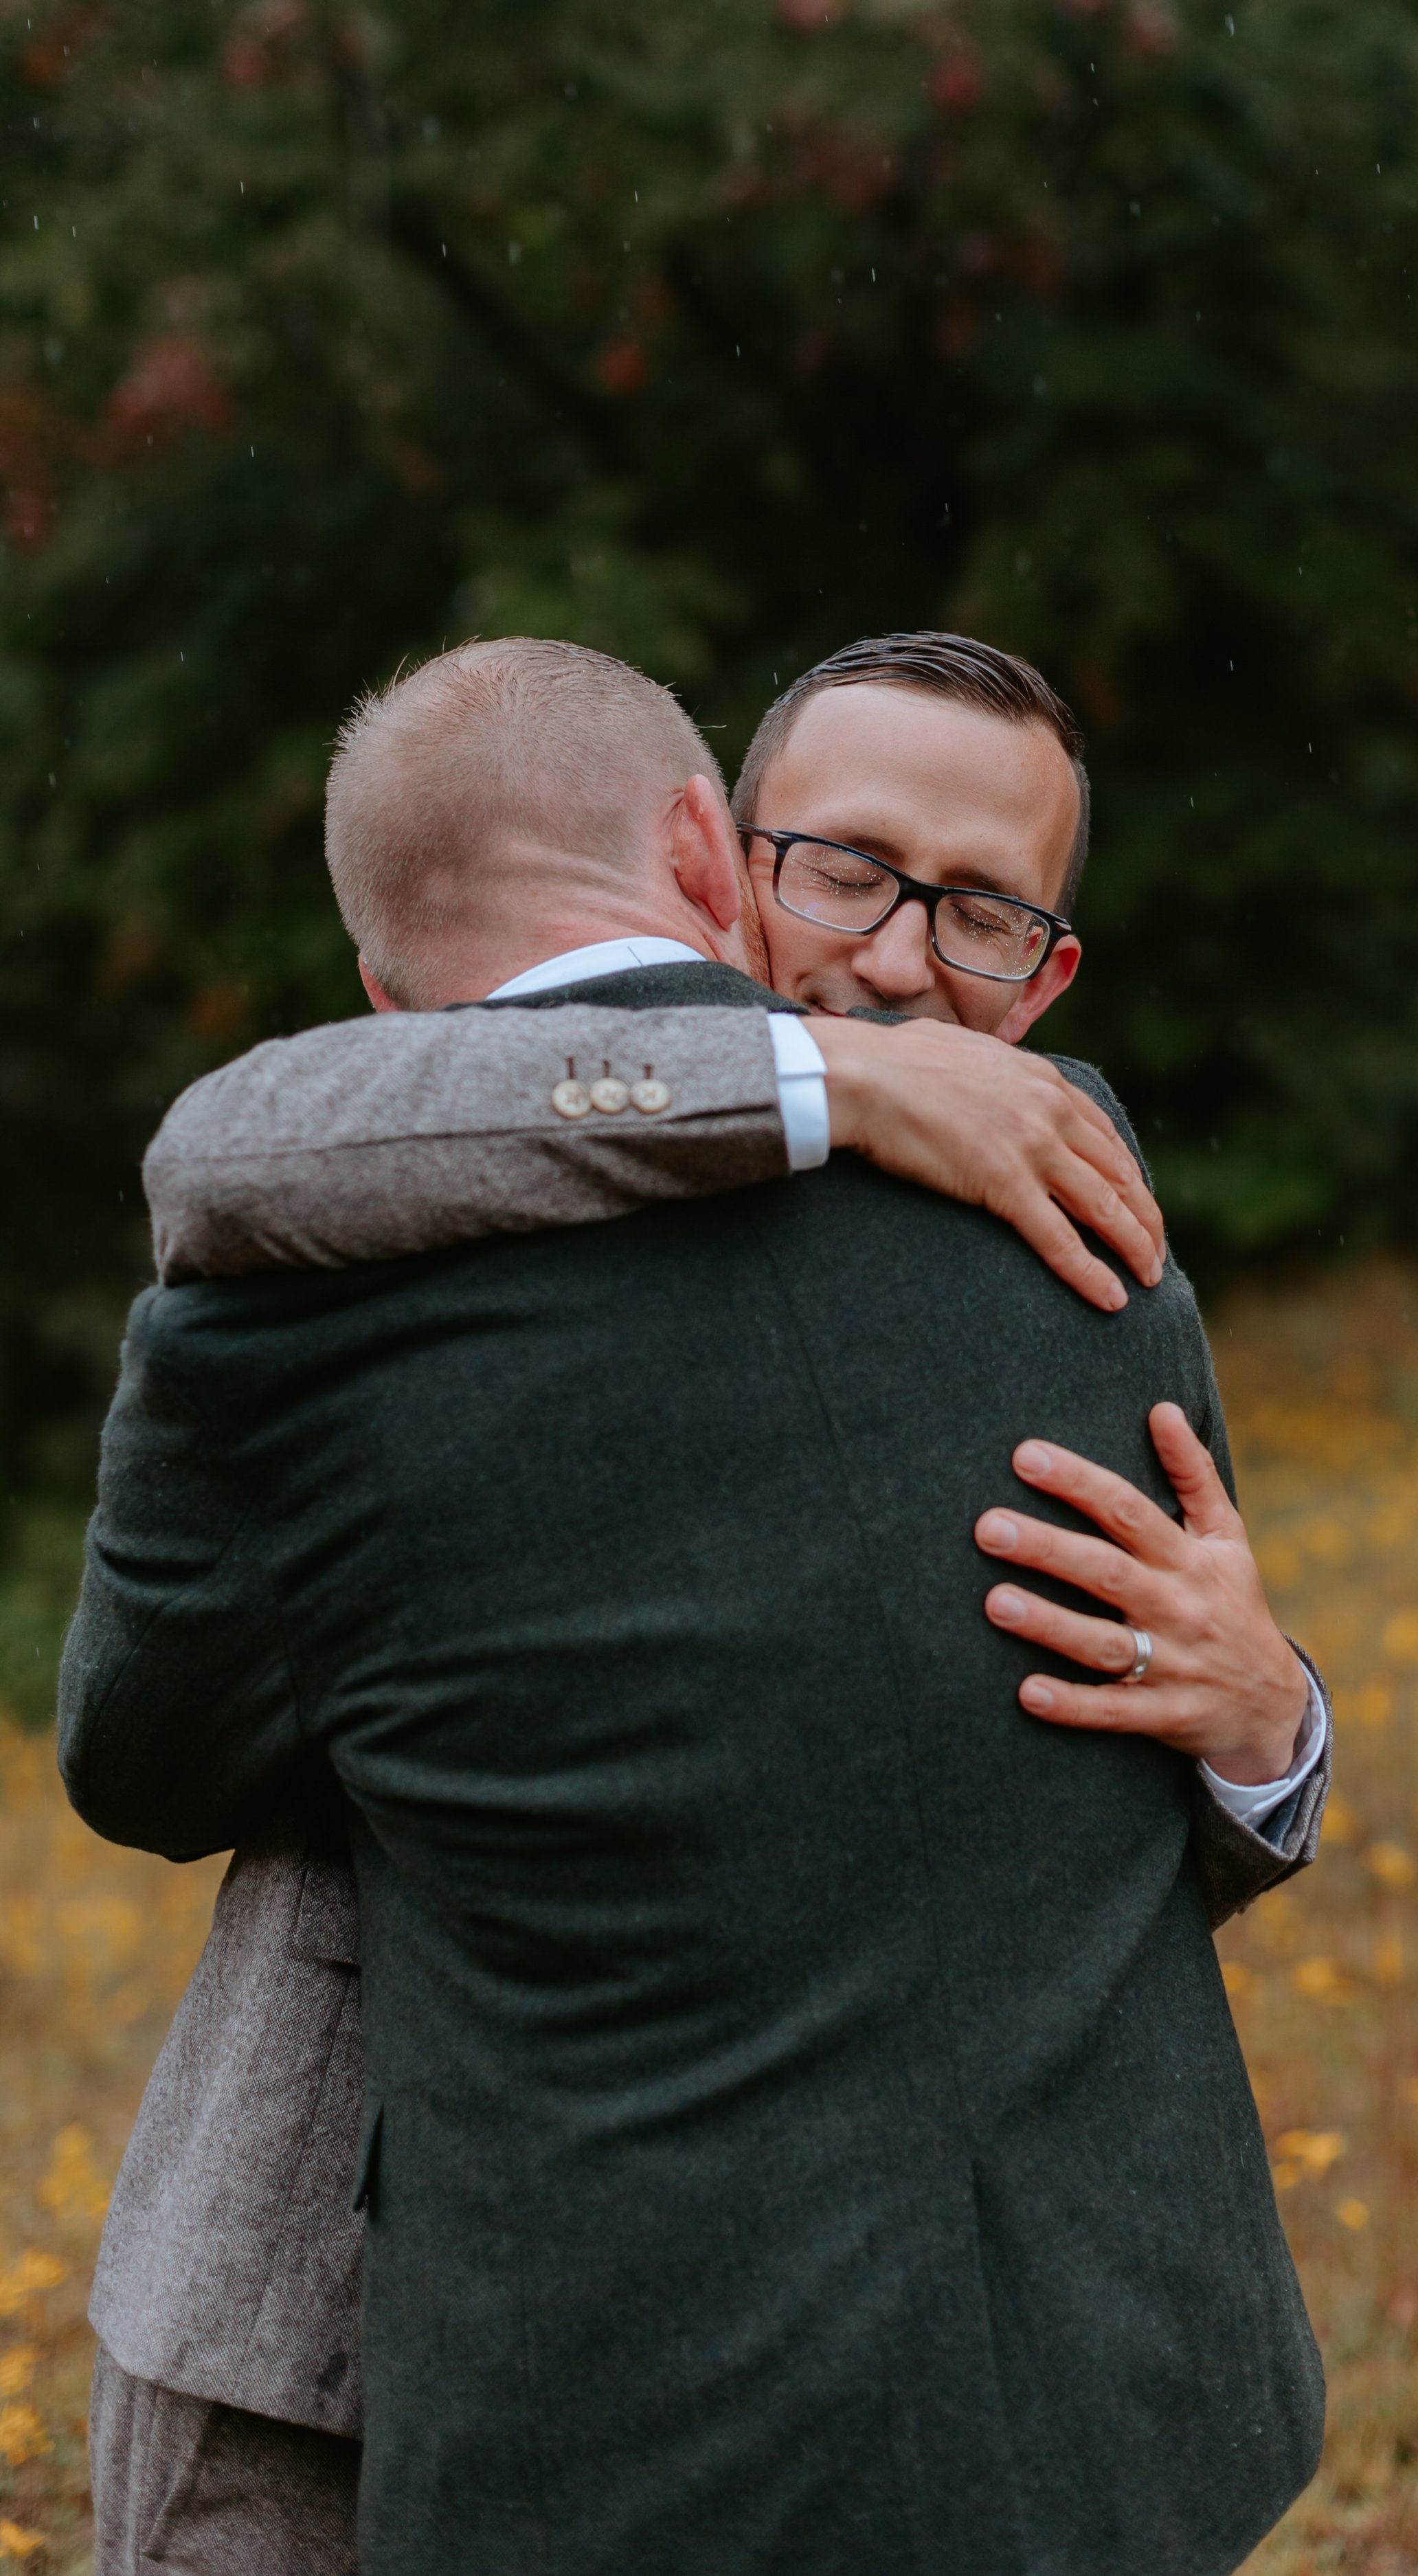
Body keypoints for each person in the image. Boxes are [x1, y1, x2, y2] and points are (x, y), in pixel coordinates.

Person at [63, 637, 1328, 2576]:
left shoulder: (1065, 1195)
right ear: (714, 857)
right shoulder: (338, 1209)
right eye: (844, 874)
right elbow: (245, 1144)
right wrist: (796, 1076)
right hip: (559, 2322)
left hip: (767, 2400)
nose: (899, 965)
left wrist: (1266, 1733)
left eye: (980, 912)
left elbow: (1057, 1820)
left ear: (1051, 965)